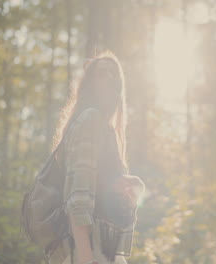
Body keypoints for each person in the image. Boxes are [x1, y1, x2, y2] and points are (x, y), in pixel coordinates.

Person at [47, 50, 145, 264]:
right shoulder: (90, 120)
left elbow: (95, 187)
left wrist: (123, 185)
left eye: (114, 74)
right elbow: (77, 197)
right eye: (102, 73)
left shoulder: (104, 128)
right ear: (90, 83)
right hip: (87, 251)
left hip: (103, 250)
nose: (110, 78)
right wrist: (86, 257)